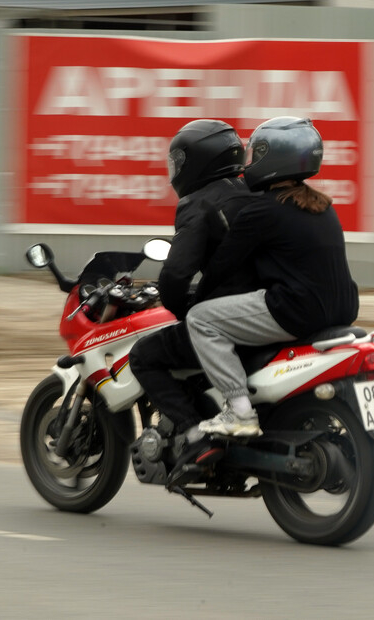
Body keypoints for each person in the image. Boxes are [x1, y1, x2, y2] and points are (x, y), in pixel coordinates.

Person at [186, 116, 360, 437]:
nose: (249, 162)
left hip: (296, 310)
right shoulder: (322, 205)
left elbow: (220, 268)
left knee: (200, 319)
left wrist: (192, 300)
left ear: (272, 158)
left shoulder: (261, 210)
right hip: (343, 308)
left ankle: (239, 411)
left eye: (256, 154)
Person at [127, 119, 259, 480]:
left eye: (179, 161)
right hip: (264, 309)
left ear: (198, 162)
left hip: (228, 318)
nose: (176, 171)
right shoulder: (252, 193)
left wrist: (182, 307)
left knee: (145, 356)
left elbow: (175, 274)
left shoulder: (198, 203)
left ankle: (195, 434)